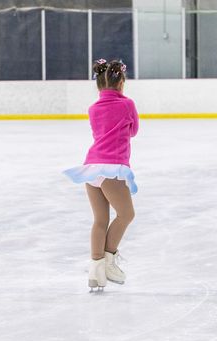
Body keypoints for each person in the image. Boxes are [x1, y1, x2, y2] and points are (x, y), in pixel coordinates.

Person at [64, 59, 139, 291]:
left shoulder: (93, 108)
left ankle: (96, 271)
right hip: (112, 168)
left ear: (98, 86)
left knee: (100, 220)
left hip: (92, 167)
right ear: (121, 84)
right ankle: (108, 260)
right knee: (126, 214)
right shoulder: (127, 105)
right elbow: (134, 130)